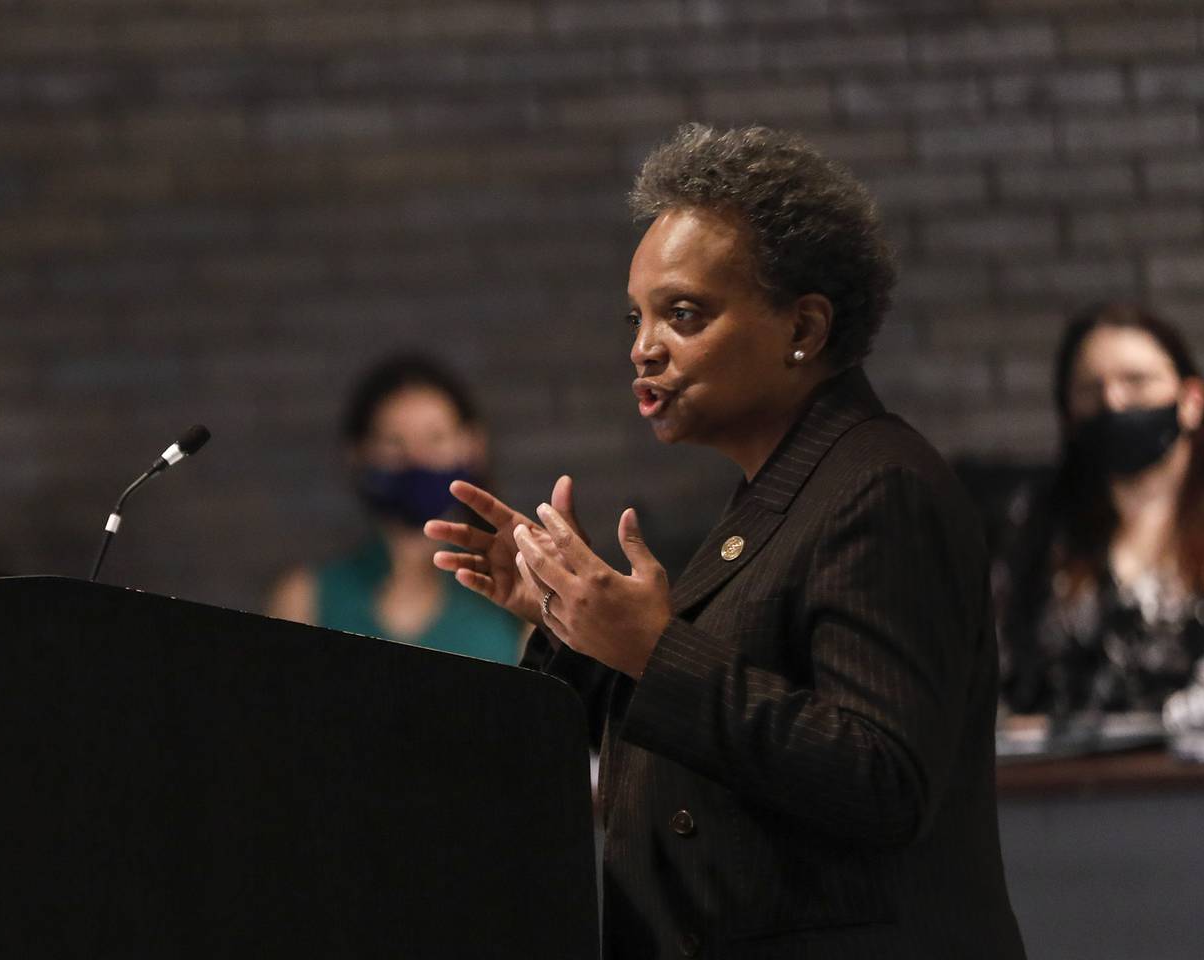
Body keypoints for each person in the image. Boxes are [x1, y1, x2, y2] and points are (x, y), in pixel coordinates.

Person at [427, 125, 1025, 959]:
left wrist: (652, 648)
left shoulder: (879, 488)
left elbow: (883, 780)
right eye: (635, 318)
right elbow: (709, 736)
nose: (643, 348)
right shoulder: (779, 491)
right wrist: (575, 621)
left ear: (803, 329)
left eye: (683, 314)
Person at [997, 303, 1204, 718]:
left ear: (1191, 400)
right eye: (1089, 388)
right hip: (1065, 775)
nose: (1113, 401)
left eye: (1136, 381)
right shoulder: (1037, 523)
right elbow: (999, 672)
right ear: (1068, 414)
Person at [267, 354, 523, 664]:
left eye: (436, 438)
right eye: (393, 441)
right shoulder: (304, 599)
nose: (417, 458)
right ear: (357, 455)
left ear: (473, 446)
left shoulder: (515, 600)